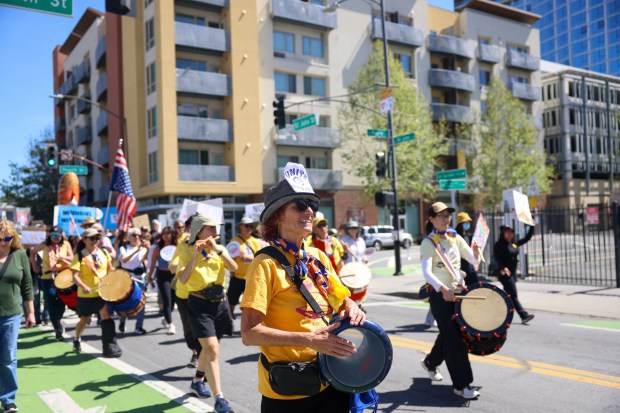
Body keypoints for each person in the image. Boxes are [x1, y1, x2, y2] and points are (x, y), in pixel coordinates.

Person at [240, 162, 366, 412]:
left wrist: (353, 307)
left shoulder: (317, 259)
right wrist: (309, 339)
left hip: (332, 379)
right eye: (299, 205)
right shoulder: (264, 264)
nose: (309, 210)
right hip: (289, 391)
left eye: (312, 205)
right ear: (277, 216)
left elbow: (342, 300)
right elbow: (249, 333)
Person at [420, 202, 482, 400]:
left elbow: (473, 261)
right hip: (440, 296)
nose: (446, 219)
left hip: (457, 293)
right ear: (431, 219)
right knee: (455, 340)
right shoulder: (428, 243)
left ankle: (431, 362)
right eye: (441, 216)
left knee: (451, 334)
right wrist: (442, 288)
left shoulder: (455, 238)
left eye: (447, 215)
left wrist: (477, 252)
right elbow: (427, 273)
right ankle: (462, 385)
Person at [177, 214, 237, 413]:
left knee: (210, 348)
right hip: (199, 303)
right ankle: (219, 399)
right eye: (211, 228)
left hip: (220, 303)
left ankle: (197, 380)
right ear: (199, 230)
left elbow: (234, 268)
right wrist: (195, 255)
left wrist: (218, 251)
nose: (215, 232)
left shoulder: (219, 248)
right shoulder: (185, 249)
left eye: (215, 228)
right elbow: (183, 279)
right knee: (211, 349)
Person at [0, 220, 35, 413]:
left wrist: (31, 312)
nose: (3, 242)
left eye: (7, 238)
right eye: (0, 238)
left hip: (11, 314)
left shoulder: (20, 256)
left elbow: (27, 286)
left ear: (13, 238)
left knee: (7, 358)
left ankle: (7, 398)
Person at [70, 227, 122, 357]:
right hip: (86, 294)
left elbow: (110, 269)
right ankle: (77, 338)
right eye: (92, 238)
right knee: (85, 319)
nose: (95, 241)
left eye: (97, 238)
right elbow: (74, 276)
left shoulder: (104, 253)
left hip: (102, 293)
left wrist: (116, 277)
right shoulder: (79, 256)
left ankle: (110, 348)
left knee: (106, 316)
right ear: (85, 239)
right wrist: (83, 286)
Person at [170, 215, 202, 369]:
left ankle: (201, 357)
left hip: (203, 295)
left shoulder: (212, 246)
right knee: (189, 331)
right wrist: (187, 261)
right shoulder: (182, 246)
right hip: (184, 295)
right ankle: (195, 351)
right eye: (192, 226)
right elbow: (172, 266)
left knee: (204, 331)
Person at [33, 226, 74, 341]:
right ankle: (57, 328)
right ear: (49, 236)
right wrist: (35, 265)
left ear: (61, 236)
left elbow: (72, 257)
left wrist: (63, 257)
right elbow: (32, 251)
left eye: (58, 236)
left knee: (61, 302)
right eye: (53, 236)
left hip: (63, 277)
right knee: (50, 302)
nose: (55, 238)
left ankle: (57, 320)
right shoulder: (44, 245)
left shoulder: (66, 244)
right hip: (47, 277)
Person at [493, 224, 535, 324]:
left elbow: (527, 238)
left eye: (511, 232)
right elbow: (498, 259)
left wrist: (531, 226)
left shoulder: (513, 243)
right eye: (507, 232)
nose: (510, 234)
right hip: (504, 274)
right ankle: (523, 315)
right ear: (503, 233)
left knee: (507, 296)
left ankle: (496, 313)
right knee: (513, 295)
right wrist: (504, 267)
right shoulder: (498, 245)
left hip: (512, 274)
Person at [225, 216, 261, 319]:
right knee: (231, 300)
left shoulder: (254, 241)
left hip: (251, 278)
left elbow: (258, 258)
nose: (249, 228)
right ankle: (230, 318)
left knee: (250, 303)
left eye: (251, 226)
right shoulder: (234, 240)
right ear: (240, 227)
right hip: (237, 277)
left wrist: (248, 258)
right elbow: (229, 257)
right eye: (246, 226)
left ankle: (249, 321)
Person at [118, 228, 149, 334]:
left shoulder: (142, 249)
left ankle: (139, 326)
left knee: (141, 302)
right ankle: (122, 320)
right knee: (125, 301)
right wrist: (136, 250)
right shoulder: (124, 248)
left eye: (138, 235)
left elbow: (143, 260)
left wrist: (148, 249)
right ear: (129, 237)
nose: (137, 237)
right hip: (127, 277)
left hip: (139, 278)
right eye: (134, 235)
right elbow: (124, 260)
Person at [148, 226, 177, 334]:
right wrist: (150, 276)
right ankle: (170, 324)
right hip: (162, 275)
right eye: (164, 233)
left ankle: (166, 318)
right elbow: (152, 264)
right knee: (167, 300)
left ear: (172, 234)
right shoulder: (157, 248)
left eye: (168, 233)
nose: (165, 235)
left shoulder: (178, 247)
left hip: (174, 275)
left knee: (173, 301)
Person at [455, 213, 480, 286]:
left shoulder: (468, 236)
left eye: (468, 222)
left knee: (475, 287)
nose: (468, 224)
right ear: (461, 223)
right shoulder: (455, 237)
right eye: (466, 223)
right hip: (460, 267)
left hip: (469, 266)